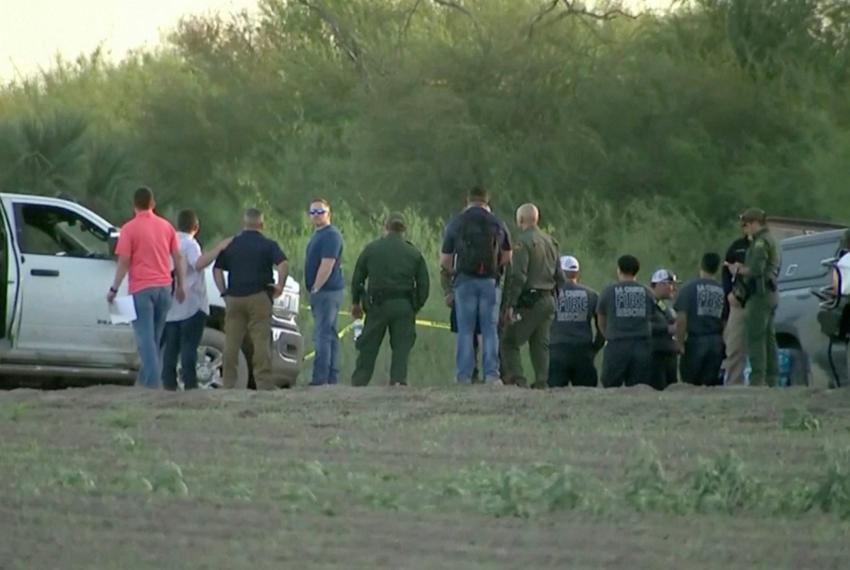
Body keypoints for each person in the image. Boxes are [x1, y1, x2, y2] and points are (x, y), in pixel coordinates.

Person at [107, 186, 185, 389]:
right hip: (164, 288)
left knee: (144, 339)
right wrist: (181, 285)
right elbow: (178, 257)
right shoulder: (167, 227)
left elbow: (124, 261)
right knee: (155, 338)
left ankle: (152, 385)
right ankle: (143, 381)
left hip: (141, 289)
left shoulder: (129, 229)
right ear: (153, 204)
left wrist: (114, 288)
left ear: (134, 205)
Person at [440, 186, 512, 385]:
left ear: (468, 200)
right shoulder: (498, 223)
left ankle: (463, 375)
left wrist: (455, 273)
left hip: (464, 281)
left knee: (465, 330)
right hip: (490, 282)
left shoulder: (457, 222)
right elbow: (508, 255)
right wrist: (495, 267)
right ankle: (491, 375)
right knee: (489, 329)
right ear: (487, 201)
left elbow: (445, 259)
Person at [350, 212, 430, 386]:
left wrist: (356, 302)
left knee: (369, 346)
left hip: (377, 305)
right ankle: (398, 381)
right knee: (401, 347)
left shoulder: (372, 249)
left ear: (385, 228)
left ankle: (359, 382)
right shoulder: (413, 253)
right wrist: (414, 306)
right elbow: (424, 285)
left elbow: (358, 279)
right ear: (404, 230)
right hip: (404, 305)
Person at [213, 208, 288, 390]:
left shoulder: (232, 245)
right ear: (261, 225)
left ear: (244, 224)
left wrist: (224, 291)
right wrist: (280, 286)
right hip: (259, 296)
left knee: (231, 341)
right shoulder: (268, 244)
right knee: (260, 341)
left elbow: (217, 270)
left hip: (234, 298)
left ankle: (229, 383)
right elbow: (283, 264)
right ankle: (263, 383)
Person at [161, 210, 232, 391]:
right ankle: (190, 385)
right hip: (192, 303)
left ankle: (168, 385)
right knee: (189, 347)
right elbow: (198, 263)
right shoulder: (190, 244)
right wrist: (218, 249)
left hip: (171, 306)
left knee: (171, 349)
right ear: (196, 227)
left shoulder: (169, 241)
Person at [500, 203, 564, 388]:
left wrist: (510, 304)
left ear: (520, 219)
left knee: (509, 341)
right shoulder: (551, 241)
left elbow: (519, 276)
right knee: (540, 344)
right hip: (548, 299)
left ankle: (517, 380)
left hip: (530, 300)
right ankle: (542, 381)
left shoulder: (522, 242)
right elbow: (560, 276)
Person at [728, 208, 781, 386]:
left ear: (753, 223)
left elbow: (756, 269)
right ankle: (772, 378)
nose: (745, 229)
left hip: (760, 294)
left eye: (746, 225)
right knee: (768, 337)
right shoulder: (771, 240)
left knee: (756, 337)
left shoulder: (760, 243)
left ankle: (758, 379)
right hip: (770, 293)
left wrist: (738, 269)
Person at [597, 255, 655, 388]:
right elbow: (652, 316)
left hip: (616, 344)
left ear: (619, 270)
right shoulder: (647, 292)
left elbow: (601, 319)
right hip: (642, 345)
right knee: (640, 387)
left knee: (610, 386)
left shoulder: (608, 292)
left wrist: (608, 336)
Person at [304, 198, 345, 386]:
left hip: (327, 291)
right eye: (312, 212)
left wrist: (316, 287)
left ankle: (321, 379)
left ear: (329, 213)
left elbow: (327, 264)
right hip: (323, 292)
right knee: (329, 334)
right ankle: (330, 378)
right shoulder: (317, 235)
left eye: (320, 212)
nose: (316, 216)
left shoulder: (331, 235)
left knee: (323, 334)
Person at [548, 255, 604, 388]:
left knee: (554, 395)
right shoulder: (592, 295)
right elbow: (602, 327)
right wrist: (595, 347)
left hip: (557, 351)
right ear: (577, 273)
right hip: (583, 351)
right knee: (587, 395)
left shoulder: (549, 294)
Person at [675, 253, 726, 386]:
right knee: (710, 385)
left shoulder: (688, 288)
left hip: (695, 342)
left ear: (701, 265)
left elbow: (681, 318)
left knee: (690, 384)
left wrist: (679, 343)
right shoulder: (722, 291)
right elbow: (726, 321)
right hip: (716, 342)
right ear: (717, 268)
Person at [721, 229, 751, 384]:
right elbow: (726, 272)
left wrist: (740, 269)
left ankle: (762, 383)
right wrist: (729, 296)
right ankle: (734, 383)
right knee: (734, 348)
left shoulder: (767, 246)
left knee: (762, 346)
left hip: (760, 301)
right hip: (738, 302)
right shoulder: (737, 246)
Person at [649, 269, 679, 390]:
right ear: (660, 284)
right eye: (670, 284)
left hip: (669, 354)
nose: (674, 288)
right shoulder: (648, 302)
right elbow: (642, 325)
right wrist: (668, 329)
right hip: (655, 356)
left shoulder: (663, 305)